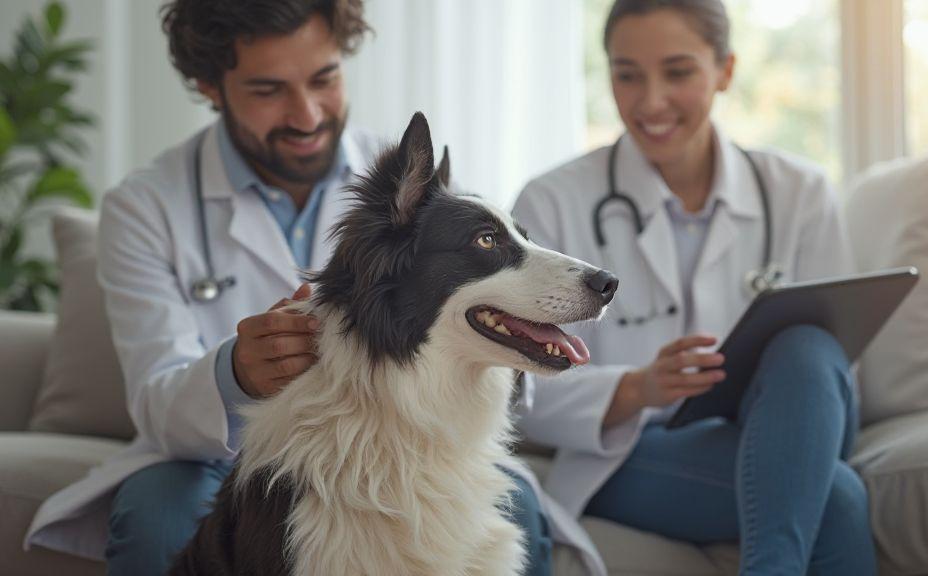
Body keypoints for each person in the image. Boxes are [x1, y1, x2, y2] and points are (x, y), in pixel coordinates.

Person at [24, 1, 551, 574]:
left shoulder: (414, 188)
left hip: (390, 449)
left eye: (323, 79)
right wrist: (236, 373)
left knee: (518, 511)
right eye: (267, 89)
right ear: (210, 86)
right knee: (159, 521)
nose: (305, 115)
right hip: (212, 457)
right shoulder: (145, 208)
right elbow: (155, 401)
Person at [513, 0, 878, 574]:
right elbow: (522, 395)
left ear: (725, 70)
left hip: (784, 421)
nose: (650, 101)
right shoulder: (553, 202)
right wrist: (638, 388)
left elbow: (838, 374)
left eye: (677, 72)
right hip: (630, 451)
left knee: (808, 345)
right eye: (627, 74)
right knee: (836, 497)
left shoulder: (799, 192)